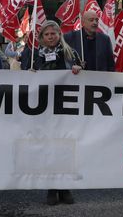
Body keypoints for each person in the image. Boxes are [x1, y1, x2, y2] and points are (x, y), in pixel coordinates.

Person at [21, 21, 80, 205]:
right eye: (47, 35)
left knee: (65, 145)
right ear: (41, 38)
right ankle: (51, 188)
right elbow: (24, 76)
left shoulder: (71, 53)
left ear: (59, 34)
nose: (51, 37)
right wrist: (30, 72)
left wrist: (78, 69)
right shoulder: (33, 55)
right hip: (43, 110)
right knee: (48, 145)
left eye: (54, 33)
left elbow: (83, 74)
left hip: (65, 108)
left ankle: (65, 188)